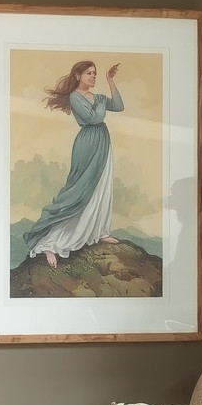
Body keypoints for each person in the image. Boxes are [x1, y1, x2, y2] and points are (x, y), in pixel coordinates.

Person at [23, 59, 124, 268]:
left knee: (102, 185)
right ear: (78, 76)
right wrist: (101, 103)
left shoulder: (97, 97)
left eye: (95, 74)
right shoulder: (75, 97)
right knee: (79, 189)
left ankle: (99, 231)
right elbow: (94, 118)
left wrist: (110, 80)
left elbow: (119, 106)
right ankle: (51, 242)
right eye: (89, 73)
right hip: (87, 144)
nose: (93, 76)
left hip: (102, 142)